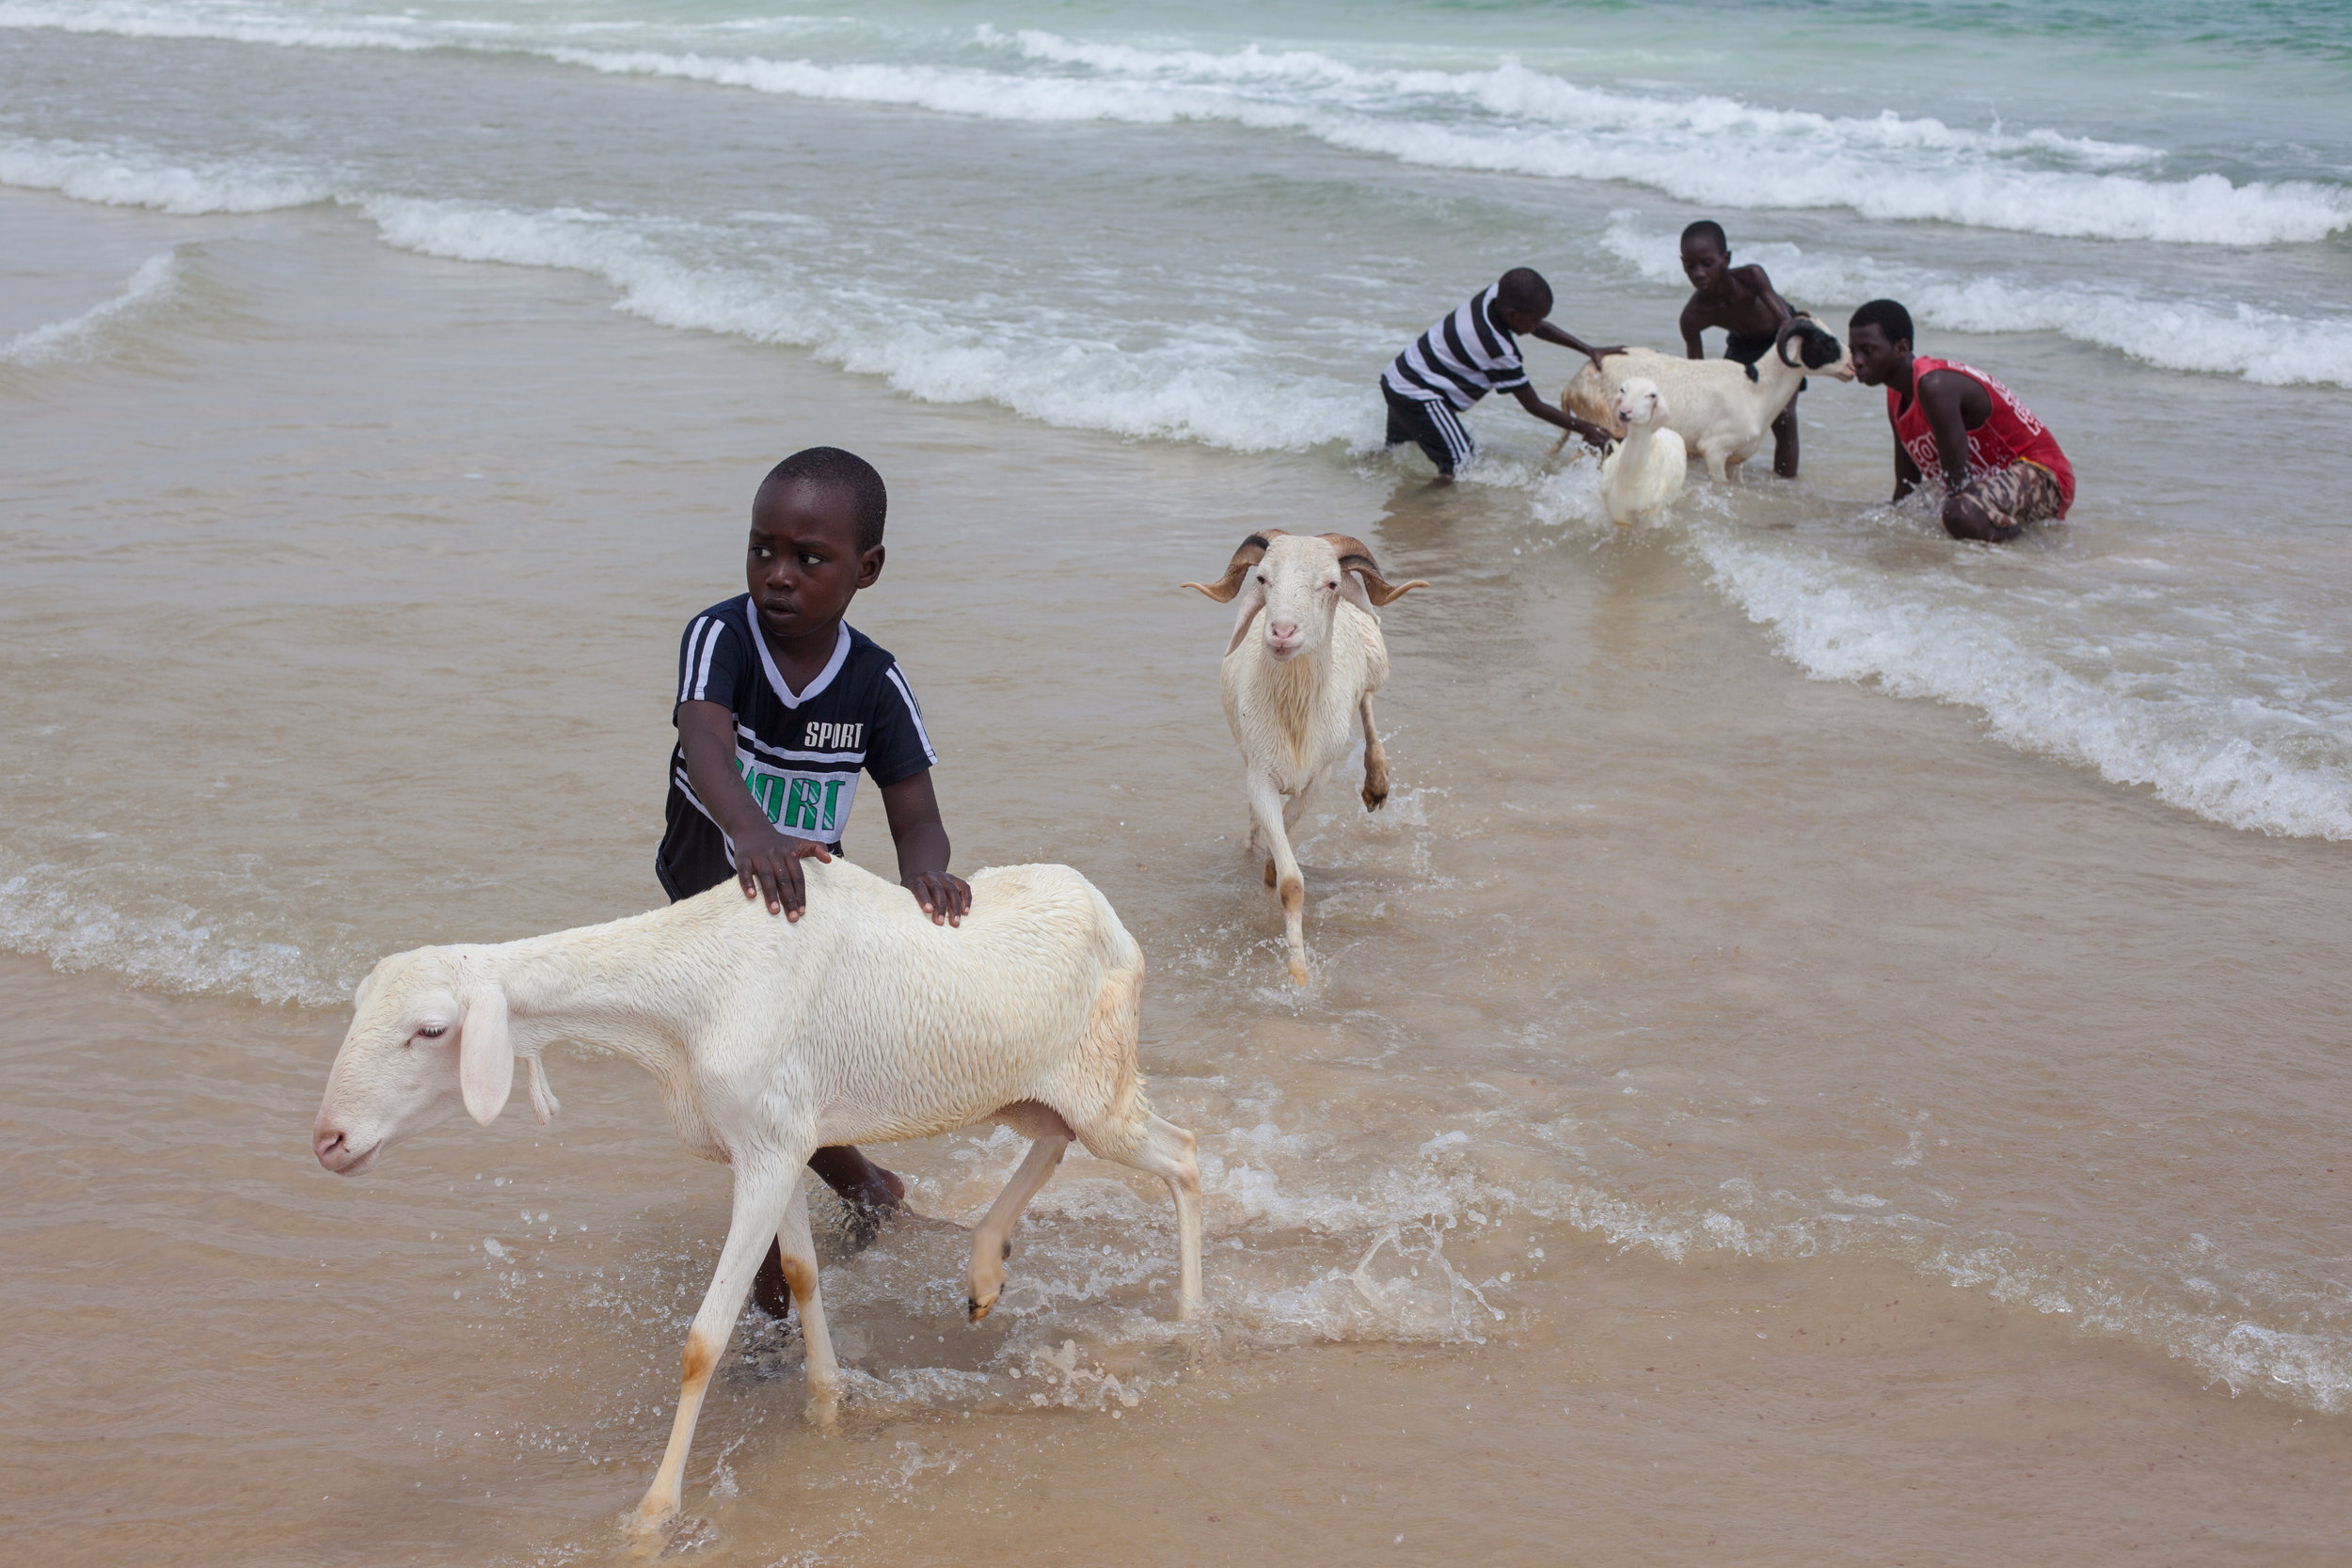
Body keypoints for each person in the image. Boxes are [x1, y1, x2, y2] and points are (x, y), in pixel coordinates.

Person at [657, 444, 971, 1312]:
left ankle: (770, 1304)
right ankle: (864, 1192)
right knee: (759, 1095)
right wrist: (751, 830)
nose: (778, 575)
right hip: (704, 910)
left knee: (766, 1099)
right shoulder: (721, 637)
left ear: (865, 569)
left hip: (797, 918)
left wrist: (927, 883)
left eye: (809, 558)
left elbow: (916, 812)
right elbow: (704, 740)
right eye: (763, 549)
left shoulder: (874, 681)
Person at [1846, 299, 2075, 543]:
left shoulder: (1934, 386)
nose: (1857, 361)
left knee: (1960, 514)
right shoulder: (1895, 396)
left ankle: (2026, 546)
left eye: (1867, 350)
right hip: (1994, 482)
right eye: (1853, 351)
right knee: (1890, 514)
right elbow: (1906, 487)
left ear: (1901, 348)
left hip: (2045, 474)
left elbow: (1958, 483)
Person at [1381, 266, 1620, 480]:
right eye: (1534, 321)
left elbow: (1533, 325)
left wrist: (1587, 349)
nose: (1537, 327)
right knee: (1460, 463)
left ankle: (1374, 482)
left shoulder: (1493, 295)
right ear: (1513, 315)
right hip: (1417, 393)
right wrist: (1589, 429)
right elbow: (1533, 405)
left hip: (1399, 374)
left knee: (1396, 451)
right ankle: (1418, 513)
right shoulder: (1496, 349)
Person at [1677, 220, 1804, 478]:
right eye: (1690, 266)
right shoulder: (1693, 316)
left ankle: (1785, 486)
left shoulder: (1751, 277)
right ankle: (1725, 476)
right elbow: (1697, 375)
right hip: (1742, 345)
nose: (1699, 273)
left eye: (1707, 263)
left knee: (1784, 417)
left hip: (1783, 337)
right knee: (1722, 415)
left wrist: (1781, 365)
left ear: (1725, 259)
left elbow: (1786, 323)